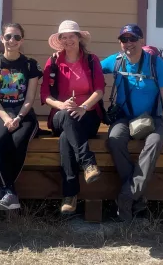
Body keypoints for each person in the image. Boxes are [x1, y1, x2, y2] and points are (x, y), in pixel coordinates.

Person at [101, 24, 163, 222]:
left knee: (154, 143)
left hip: (152, 119)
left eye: (133, 39)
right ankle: (136, 198)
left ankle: (126, 197)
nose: (128, 43)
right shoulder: (116, 61)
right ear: (120, 43)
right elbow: (89, 69)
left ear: (142, 41)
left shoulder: (156, 64)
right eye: (124, 39)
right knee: (114, 139)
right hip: (124, 118)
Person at [40, 20, 105, 216]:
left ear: (79, 38)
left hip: (88, 115)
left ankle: (70, 195)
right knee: (67, 117)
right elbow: (45, 95)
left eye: (72, 36)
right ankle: (88, 163)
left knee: (65, 139)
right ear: (59, 40)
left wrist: (84, 107)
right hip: (61, 114)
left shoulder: (92, 60)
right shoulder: (53, 62)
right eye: (64, 37)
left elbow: (100, 90)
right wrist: (61, 105)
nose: (68, 40)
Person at [0, 23, 42, 211]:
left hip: (24, 114)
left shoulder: (30, 65)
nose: (12, 41)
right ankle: (10, 193)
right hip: (0, 112)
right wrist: (7, 118)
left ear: (22, 40)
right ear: (2, 39)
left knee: (18, 139)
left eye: (16, 37)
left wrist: (19, 117)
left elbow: (30, 98)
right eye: (8, 37)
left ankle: (4, 189)